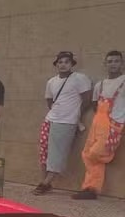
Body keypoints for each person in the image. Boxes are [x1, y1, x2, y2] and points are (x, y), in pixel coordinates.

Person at [33, 51, 92, 195]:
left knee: (57, 153)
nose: (63, 64)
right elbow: (49, 100)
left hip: (67, 121)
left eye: (66, 62)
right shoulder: (51, 82)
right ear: (56, 65)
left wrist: (76, 114)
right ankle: (44, 180)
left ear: (71, 64)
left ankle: (46, 183)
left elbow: (87, 98)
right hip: (50, 119)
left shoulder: (79, 78)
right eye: (60, 62)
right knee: (44, 151)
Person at [74, 50, 125, 200]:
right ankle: (90, 189)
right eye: (110, 61)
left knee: (96, 154)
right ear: (105, 64)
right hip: (98, 123)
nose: (113, 64)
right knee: (87, 153)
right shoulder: (100, 84)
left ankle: (92, 187)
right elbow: (95, 103)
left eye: (116, 61)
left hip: (113, 125)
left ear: (122, 63)